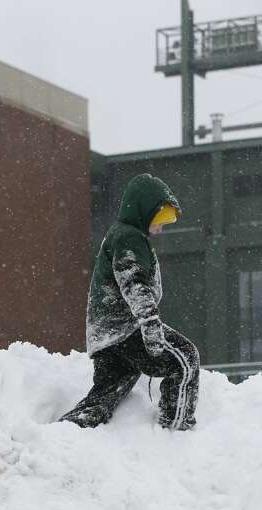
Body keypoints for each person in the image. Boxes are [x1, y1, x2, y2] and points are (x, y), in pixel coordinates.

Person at [60, 173, 199, 430]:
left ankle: (66, 432)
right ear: (144, 211)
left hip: (105, 335)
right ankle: (177, 428)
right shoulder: (129, 237)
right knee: (185, 358)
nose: (160, 227)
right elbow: (134, 283)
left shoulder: (118, 235)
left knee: (105, 394)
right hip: (126, 329)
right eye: (160, 219)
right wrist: (150, 324)